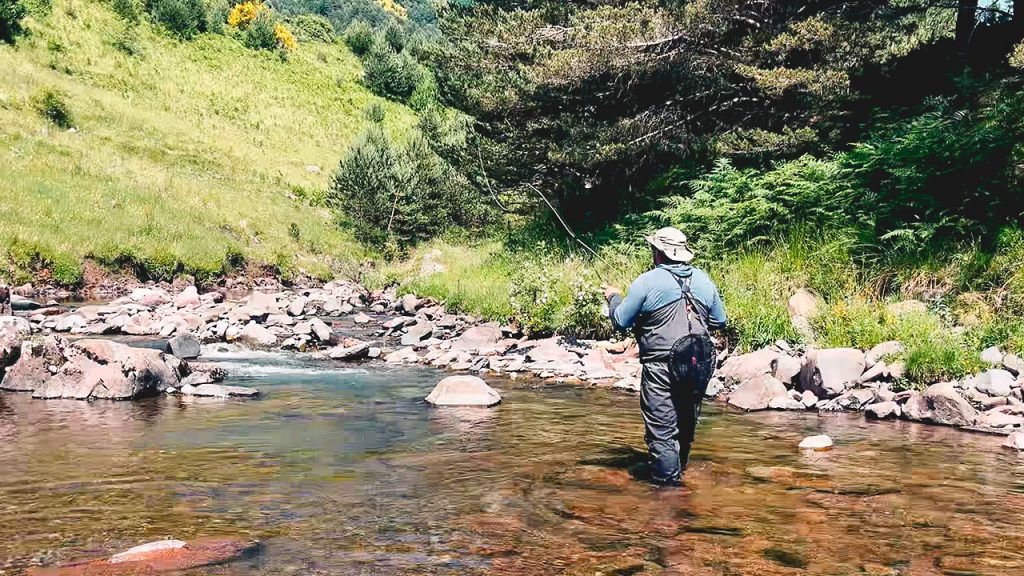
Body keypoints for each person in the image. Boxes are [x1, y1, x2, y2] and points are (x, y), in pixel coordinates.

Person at [602, 227, 726, 486]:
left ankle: (669, 494)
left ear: (658, 253)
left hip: (661, 367)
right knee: (685, 425)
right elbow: (719, 320)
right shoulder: (704, 280)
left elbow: (621, 320)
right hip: (697, 365)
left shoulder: (647, 281)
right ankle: (678, 475)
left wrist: (613, 297)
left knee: (662, 432)